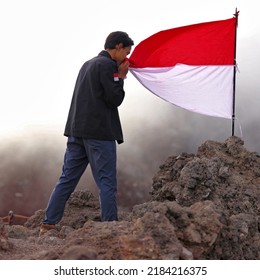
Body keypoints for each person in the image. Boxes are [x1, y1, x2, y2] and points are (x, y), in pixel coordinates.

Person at [39, 31, 134, 236]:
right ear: (117, 46)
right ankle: (110, 228)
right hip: (99, 133)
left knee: (66, 179)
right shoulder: (108, 66)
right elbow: (114, 99)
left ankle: (48, 224)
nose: (127, 56)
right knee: (107, 182)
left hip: (76, 131)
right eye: (126, 51)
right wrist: (122, 77)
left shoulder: (87, 64)